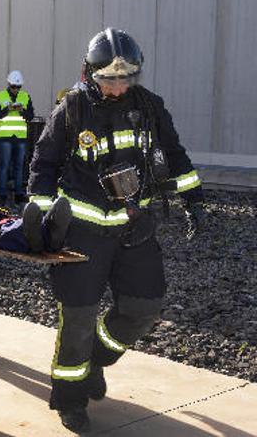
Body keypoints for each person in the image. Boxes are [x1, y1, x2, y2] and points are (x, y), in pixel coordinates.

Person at [27, 28, 206, 432]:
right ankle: (69, 400)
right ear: (90, 73)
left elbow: (175, 154)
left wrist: (193, 199)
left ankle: (96, 359)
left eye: (126, 79)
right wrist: (39, 218)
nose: (118, 88)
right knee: (77, 317)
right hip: (82, 232)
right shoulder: (71, 110)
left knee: (145, 307)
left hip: (134, 227)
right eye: (109, 79)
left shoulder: (149, 106)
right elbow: (43, 166)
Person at [0, 70, 34, 205]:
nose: (16, 89)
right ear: (9, 84)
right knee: (4, 166)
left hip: (20, 137)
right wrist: (7, 110)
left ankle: (19, 194)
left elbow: (31, 116)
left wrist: (22, 111)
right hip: (4, 138)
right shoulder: (0, 96)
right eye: (14, 87)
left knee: (19, 166)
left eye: (18, 87)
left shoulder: (25, 97)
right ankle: (2, 194)